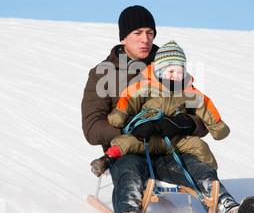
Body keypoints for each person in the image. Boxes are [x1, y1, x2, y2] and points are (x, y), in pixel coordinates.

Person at [81, 5, 254, 213]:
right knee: (129, 172)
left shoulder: (170, 64)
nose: (145, 39)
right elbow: (92, 127)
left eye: (150, 32)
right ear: (123, 37)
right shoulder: (103, 73)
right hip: (131, 148)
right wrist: (131, 130)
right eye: (137, 33)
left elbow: (200, 112)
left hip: (170, 147)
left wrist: (183, 123)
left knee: (200, 169)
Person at [90, 40, 228, 174]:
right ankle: (106, 160)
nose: (176, 76)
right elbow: (128, 99)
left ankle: (210, 179)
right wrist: (121, 117)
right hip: (148, 135)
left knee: (200, 145)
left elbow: (206, 107)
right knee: (126, 142)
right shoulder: (146, 87)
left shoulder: (188, 91)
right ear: (160, 71)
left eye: (180, 72)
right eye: (171, 71)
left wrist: (217, 127)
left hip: (175, 139)